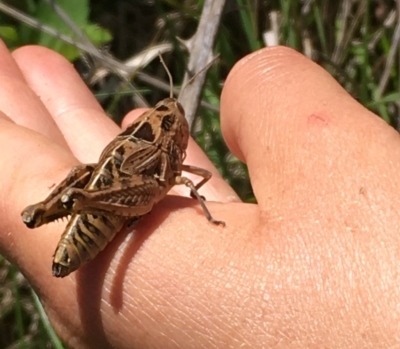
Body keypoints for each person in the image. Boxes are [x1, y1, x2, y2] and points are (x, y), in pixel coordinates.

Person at [0, 40, 398, 348]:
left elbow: (190, 176)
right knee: (85, 181)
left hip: (114, 198)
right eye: (173, 120)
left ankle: (78, 199)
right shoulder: (156, 148)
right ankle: (66, 203)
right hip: (102, 207)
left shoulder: (157, 146)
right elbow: (192, 178)